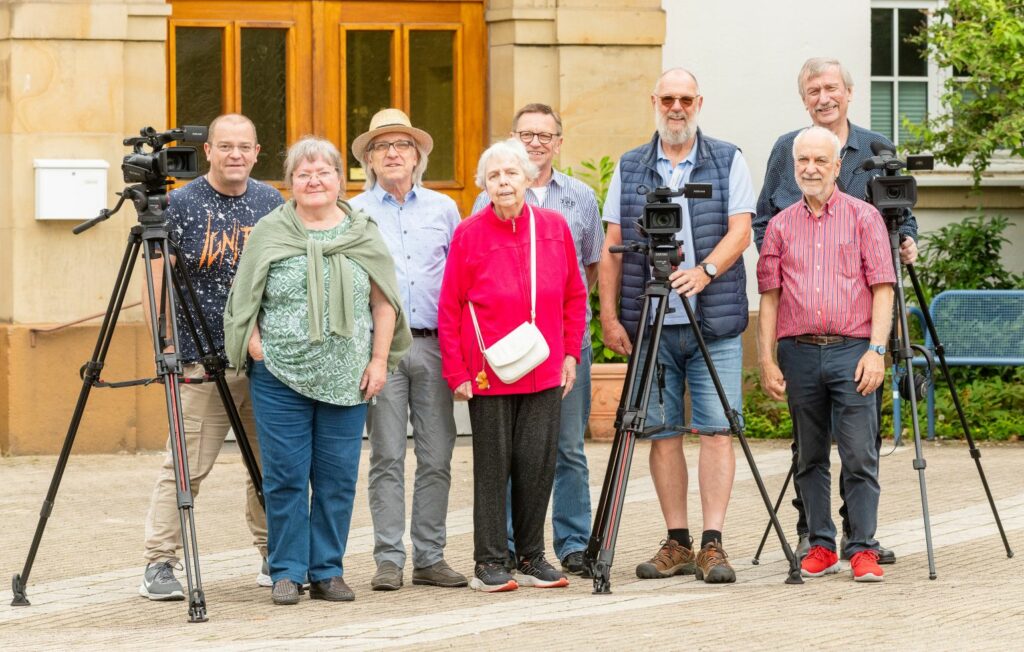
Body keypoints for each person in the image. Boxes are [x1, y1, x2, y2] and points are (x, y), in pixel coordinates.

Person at [223, 136, 411, 605]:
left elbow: (384, 301)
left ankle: (327, 570)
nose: (313, 180)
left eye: (323, 172)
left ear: (338, 180)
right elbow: (243, 297)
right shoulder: (270, 230)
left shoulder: (362, 231)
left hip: (348, 376)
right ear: (290, 182)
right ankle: (286, 570)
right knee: (285, 475)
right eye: (303, 173)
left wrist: (379, 360)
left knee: (336, 478)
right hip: (280, 375)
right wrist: (253, 344)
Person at [754, 57, 916, 563]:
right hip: (801, 332)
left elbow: (901, 223)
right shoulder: (787, 149)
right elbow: (765, 219)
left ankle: (861, 538)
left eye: (831, 88)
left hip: (854, 331)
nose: (823, 97)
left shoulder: (875, 147)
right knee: (810, 450)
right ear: (804, 98)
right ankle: (816, 536)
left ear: (848, 93)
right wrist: (784, 252)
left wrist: (905, 242)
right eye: (813, 90)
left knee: (858, 446)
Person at [598, 68, 754, 584]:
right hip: (651, 318)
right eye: (668, 98)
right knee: (662, 434)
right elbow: (613, 243)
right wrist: (609, 315)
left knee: (715, 431)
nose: (677, 107)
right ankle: (678, 540)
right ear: (654, 102)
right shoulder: (630, 165)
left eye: (686, 99)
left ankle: (713, 543)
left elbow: (741, 230)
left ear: (699, 103)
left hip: (713, 316)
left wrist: (704, 271)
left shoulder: (728, 158)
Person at [139, 113, 282, 601]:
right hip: (201, 360)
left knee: (270, 465)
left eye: (244, 146)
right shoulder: (179, 204)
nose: (235, 155)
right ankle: (160, 563)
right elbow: (155, 275)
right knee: (186, 466)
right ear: (210, 151)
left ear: (257, 152)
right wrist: (164, 343)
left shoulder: (270, 201)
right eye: (226, 146)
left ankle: (274, 556)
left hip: (263, 360)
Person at [438, 138, 587, 592]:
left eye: (511, 173)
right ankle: (488, 561)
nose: (504, 182)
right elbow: (450, 306)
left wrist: (570, 353)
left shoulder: (554, 226)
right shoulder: (469, 233)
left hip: (542, 368)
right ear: (484, 184)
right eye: (494, 175)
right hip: (488, 371)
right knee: (493, 466)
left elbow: (574, 296)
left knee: (537, 464)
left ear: (528, 178)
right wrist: (456, 372)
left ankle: (531, 555)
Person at [470, 103, 603, 575]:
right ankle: (506, 546)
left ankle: (570, 543)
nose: (536, 142)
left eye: (546, 135)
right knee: (507, 450)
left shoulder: (580, 198)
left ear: (558, 143)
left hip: (561, 350)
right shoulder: (484, 203)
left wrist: (569, 344)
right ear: (512, 139)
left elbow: (585, 273)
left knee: (565, 448)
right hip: (501, 355)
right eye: (527, 134)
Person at [348, 109, 467, 591]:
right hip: (384, 351)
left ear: (417, 156)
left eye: (402, 145)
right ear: (370, 160)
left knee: (438, 455)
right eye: (382, 147)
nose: (393, 153)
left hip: (437, 346)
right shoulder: (354, 212)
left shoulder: (443, 209)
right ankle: (389, 559)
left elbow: (461, 281)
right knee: (387, 456)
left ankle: (431, 556)